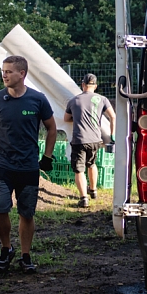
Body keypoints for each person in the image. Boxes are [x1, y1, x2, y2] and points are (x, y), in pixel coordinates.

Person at [0, 55, 57, 274]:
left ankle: (25, 255)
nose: (4, 75)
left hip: (28, 167)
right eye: (3, 71)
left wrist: (47, 157)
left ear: (22, 74)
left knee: (26, 213)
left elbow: (52, 128)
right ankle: (6, 248)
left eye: (9, 71)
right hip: (2, 166)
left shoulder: (38, 99)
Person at [63, 73, 115, 208]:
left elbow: (66, 118)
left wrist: (77, 118)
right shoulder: (102, 99)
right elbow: (113, 117)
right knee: (91, 164)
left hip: (79, 139)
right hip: (95, 139)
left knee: (79, 170)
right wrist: (112, 134)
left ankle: (83, 198)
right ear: (95, 86)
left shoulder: (74, 101)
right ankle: (93, 190)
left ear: (83, 85)